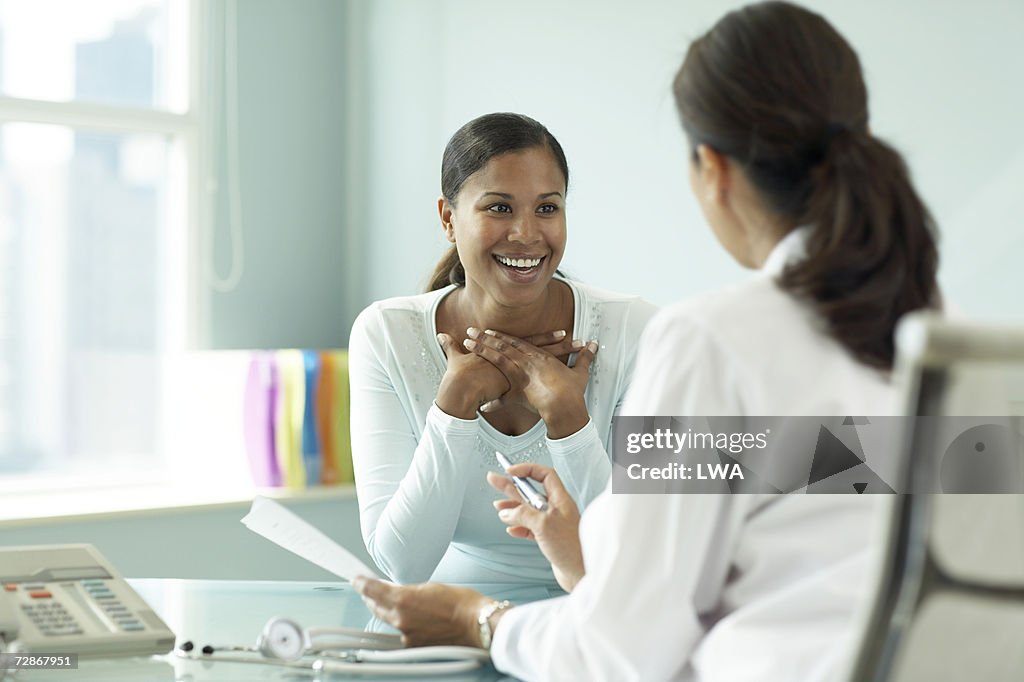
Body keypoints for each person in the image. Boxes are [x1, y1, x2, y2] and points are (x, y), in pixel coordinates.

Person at [353, 2, 941, 680]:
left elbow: (622, 649)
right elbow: (798, 512)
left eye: (548, 206)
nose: (526, 231)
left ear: (712, 170)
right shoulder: (940, 332)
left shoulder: (707, 343)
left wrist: (477, 620)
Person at [348, 112, 658, 588]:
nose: (527, 233)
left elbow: (640, 547)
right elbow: (402, 564)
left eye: (548, 208)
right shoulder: (387, 333)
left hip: (597, 610)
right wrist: (453, 409)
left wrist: (569, 420)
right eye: (499, 208)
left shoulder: (635, 329)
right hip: (455, 622)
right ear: (449, 219)